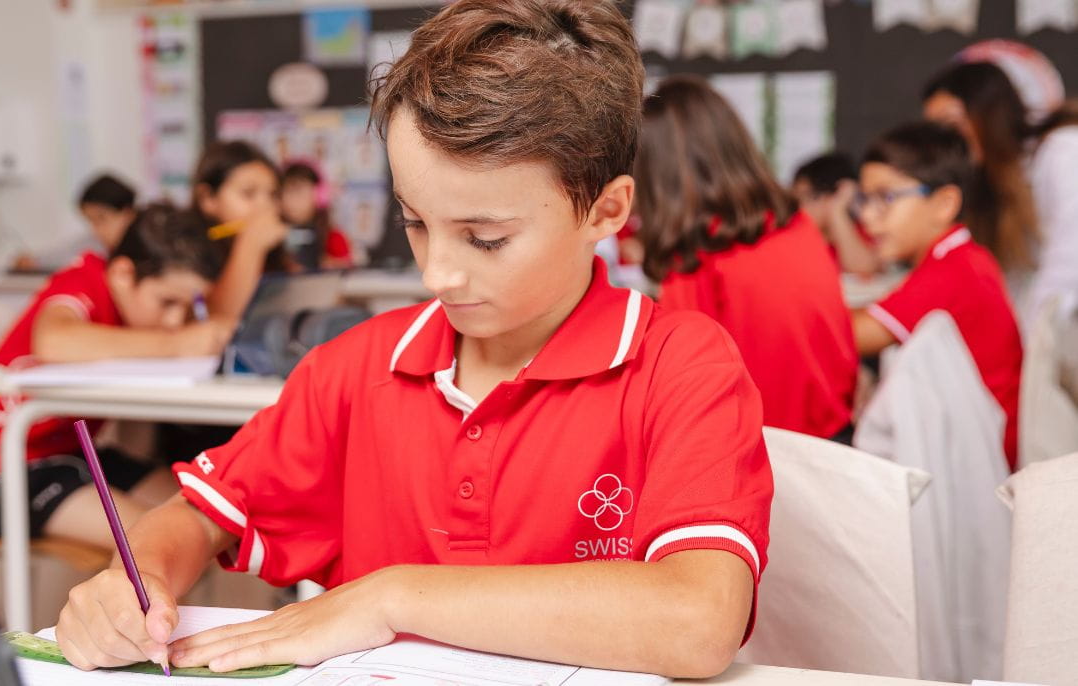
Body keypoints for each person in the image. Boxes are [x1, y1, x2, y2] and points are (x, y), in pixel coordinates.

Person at [54, 1, 772, 679]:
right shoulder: (357, 369)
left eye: (486, 238)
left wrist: (389, 598)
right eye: (415, 221)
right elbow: (197, 514)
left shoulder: (680, 365)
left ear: (607, 211)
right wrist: (137, 577)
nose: (439, 272)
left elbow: (699, 618)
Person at [0, 204, 231, 549]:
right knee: (159, 542)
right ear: (124, 274)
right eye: (167, 302)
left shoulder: (139, 314)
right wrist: (177, 343)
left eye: (187, 307)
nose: (174, 319)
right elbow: (54, 341)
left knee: (210, 515)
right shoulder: (84, 279)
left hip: (75, 454)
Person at [635, 75, 857, 441]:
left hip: (772, 451)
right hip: (832, 435)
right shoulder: (791, 220)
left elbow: (683, 379)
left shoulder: (696, 257)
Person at [851, 121, 1022, 469]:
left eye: (886, 198)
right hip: (973, 440)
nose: (867, 217)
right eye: (864, 200)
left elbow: (856, 335)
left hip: (974, 462)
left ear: (944, 203)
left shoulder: (951, 273)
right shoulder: (961, 256)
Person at [923, 60, 1078, 325]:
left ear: (989, 113)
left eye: (951, 125)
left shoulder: (1063, 151)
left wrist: (1029, 357)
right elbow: (1011, 286)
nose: (946, 142)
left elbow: (1068, 267)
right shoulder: (994, 190)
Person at [192, 141, 292, 323]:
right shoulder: (187, 255)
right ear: (207, 199)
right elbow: (221, 323)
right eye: (248, 193)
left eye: (272, 195)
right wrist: (250, 246)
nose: (266, 207)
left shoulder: (274, 255)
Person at [11, 173, 138, 273]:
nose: (97, 229)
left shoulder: (150, 247)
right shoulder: (94, 246)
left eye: (101, 219)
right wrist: (34, 261)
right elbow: (64, 253)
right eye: (91, 221)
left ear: (128, 213)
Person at [791, 152, 881, 277]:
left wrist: (837, 210)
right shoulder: (796, 240)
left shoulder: (868, 230)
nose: (801, 207)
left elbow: (863, 268)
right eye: (797, 199)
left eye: (810, 197)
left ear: (839, 194)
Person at [277, 162, 354, 271]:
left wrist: (327, 267)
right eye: (285, 191)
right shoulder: (272, 237)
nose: (290, 199)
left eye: (298, 191)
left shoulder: (334, 238)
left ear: (319, 195)